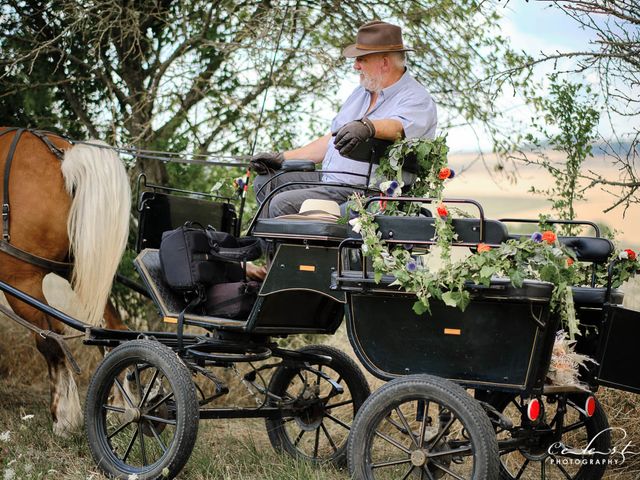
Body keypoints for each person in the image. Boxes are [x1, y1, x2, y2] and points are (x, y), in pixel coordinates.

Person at [250, 20, 437, 218]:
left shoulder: (416, 98)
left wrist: (369, 127)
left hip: (366, 190)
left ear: (384, 62)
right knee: (266, 181)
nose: (355, 66)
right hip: (332, 181)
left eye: (361, 59)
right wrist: (282, 158)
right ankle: (264, 247)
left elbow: (398, 127)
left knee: (283, 203)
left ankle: (274, 247)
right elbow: (333, 139)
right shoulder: (361, 92)